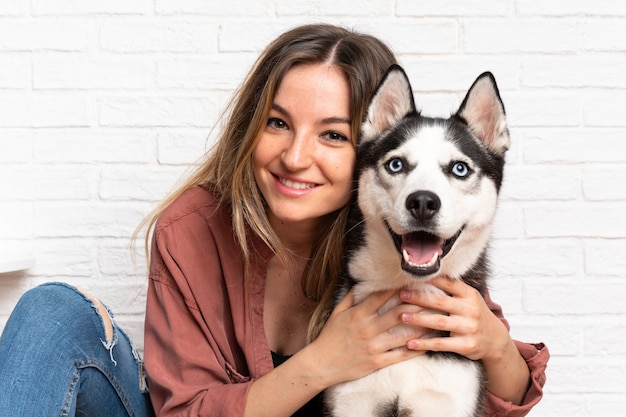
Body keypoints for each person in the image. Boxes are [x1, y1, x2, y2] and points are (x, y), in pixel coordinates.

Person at [0, 24, 548, 417]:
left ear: (368, 149)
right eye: (278, 123)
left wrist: (494, 344)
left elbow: (496, 393)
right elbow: (183, 411)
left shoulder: (399, 235)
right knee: (52, 312)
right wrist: (323, 362)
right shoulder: (191, 228)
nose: (295, 156)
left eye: (332, 134)